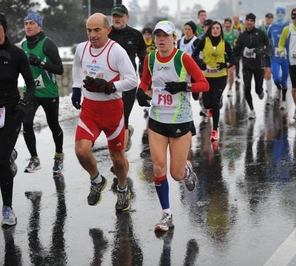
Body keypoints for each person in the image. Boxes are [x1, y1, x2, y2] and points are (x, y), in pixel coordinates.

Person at [135, 20, 209, 232]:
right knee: (158, 167)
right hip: (157, 120)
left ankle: (187, 172)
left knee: (175, 173)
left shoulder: (183, 58)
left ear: (174, 38)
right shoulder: (150, 59)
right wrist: (141, 92)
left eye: (165, 36)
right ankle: (166, 214)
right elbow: (145, 82)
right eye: (158, 35)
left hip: (180, 120)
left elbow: (204, 83)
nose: (160, 39)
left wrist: (184, 86)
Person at [70, 13, 137, 211]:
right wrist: (75, 88)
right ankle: (97, 180)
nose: (92, 35)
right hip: (90, 108)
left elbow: (132, 80)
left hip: (112, 110)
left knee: (117, 158)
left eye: (97, 30)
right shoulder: (82, 49)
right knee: (81, 151)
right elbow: (76, 66)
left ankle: (123, 189)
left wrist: (109, 87)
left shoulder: (116, 51)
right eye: (89, 30)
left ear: (108, 30)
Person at [0, 12, 36, 226]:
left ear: (4, 29)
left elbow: (31, 84)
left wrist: (24, 104)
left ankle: (7, 208)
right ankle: (10, 153)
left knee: (1, 159)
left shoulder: (16, 54)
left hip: (11, 111)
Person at [22, 11, 65, 173]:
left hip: (49, 92)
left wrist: (40, 63)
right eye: (26, 23)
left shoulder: (48, 44)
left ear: (39, 26)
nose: (28, 26)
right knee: (26, 123)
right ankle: (34, 159)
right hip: (31, 92)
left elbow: (59, 69)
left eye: (31, 23)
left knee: (54, 125)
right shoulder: (24, 45)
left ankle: (59, 155)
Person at [109, 4, 147, 152]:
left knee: (123, 118)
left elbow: (143, 56)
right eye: (114, 16)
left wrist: (145, 78)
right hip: (111, 82)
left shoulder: (136, 35)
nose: (117, 19)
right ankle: (126, 133)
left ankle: (119, 158)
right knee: (113, 120)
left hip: (129, 81)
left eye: (120, 16)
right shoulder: (107, 33)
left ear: (127, 17)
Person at [192, 20, 234, 141]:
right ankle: (215, 103)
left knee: (215, 104)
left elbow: (233, 58)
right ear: (210, 30)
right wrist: (201, 64)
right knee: (207, 104)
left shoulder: (224, 43)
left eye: (217, 28)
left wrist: (226, 64)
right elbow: (194, 55)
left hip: (220, 76)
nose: (215, 30)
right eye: (213, 28)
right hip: (207, 77)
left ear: (220, 31)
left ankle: (215, 130)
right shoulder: (204, 41)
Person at [233, 13, 270, 119]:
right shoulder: (242, 36)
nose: (249, 22)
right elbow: (237, 51)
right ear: (245, 21)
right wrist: (231, 61)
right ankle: (252, 110)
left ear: (254, 22)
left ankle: (261, 91)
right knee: (247, 88)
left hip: (258, 66)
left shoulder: (261, 33)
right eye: (247, 20)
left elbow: (269, 47)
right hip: (246, 66)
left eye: (251, 20)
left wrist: (262, 51)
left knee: (257, 89)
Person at [268, 7, 290, 110]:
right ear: (276, 14)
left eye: (282, 12)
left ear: (285, 14)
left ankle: (284, 100)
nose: (280, 14)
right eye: (278, 12)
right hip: (275, 57)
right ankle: (278, 88)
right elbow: (268, 39)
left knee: (284, 80)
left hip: (286, 57)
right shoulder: (271, 27)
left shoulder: (289, 26)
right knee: (276, 78)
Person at [259, 13, 274, 105]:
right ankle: (270, 95)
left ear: (272, 19)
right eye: (267, 18)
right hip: (265, 54)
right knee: (267, 72)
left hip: (275, 54)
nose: (268, 19)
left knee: (275, 75)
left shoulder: (275, 27)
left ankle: (277, 86)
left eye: (270, 18)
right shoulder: (261, 28)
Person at [222, 18, 239, 97]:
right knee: (225, 74)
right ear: (224, 24)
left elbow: (239, 43)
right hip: (223, 55)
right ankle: (222, 89)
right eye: (226, 23)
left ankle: (230, 89)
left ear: (231, 24)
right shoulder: (221, 32)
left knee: (231, 72)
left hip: (232, 55)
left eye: (229, 23)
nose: (228, 25)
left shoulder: (235, 32)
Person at [232, 14, 244, 80]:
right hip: (233, 46)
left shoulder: (241, 26)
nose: (236, 20)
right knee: (235, 61)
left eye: (237, 18)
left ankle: (237, 74)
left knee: (238, 61)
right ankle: (232, 73)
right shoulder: (232, 26)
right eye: (235, 18)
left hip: (240, 45)